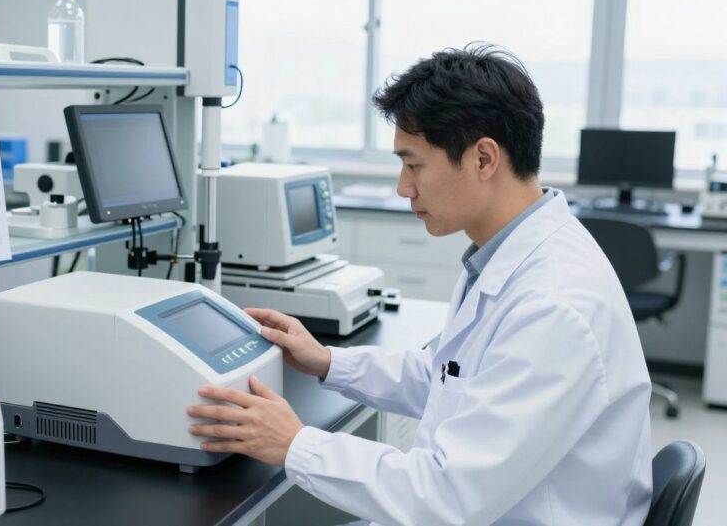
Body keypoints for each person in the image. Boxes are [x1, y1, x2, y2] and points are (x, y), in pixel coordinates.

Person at [187, 44, 653, 525]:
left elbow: (445, 498)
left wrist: (294, 442)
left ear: (484, 158)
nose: (403, 188)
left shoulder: (553, 305)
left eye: (414, 165)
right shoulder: (509, 256)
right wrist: (328, 361)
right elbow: (449, 379)